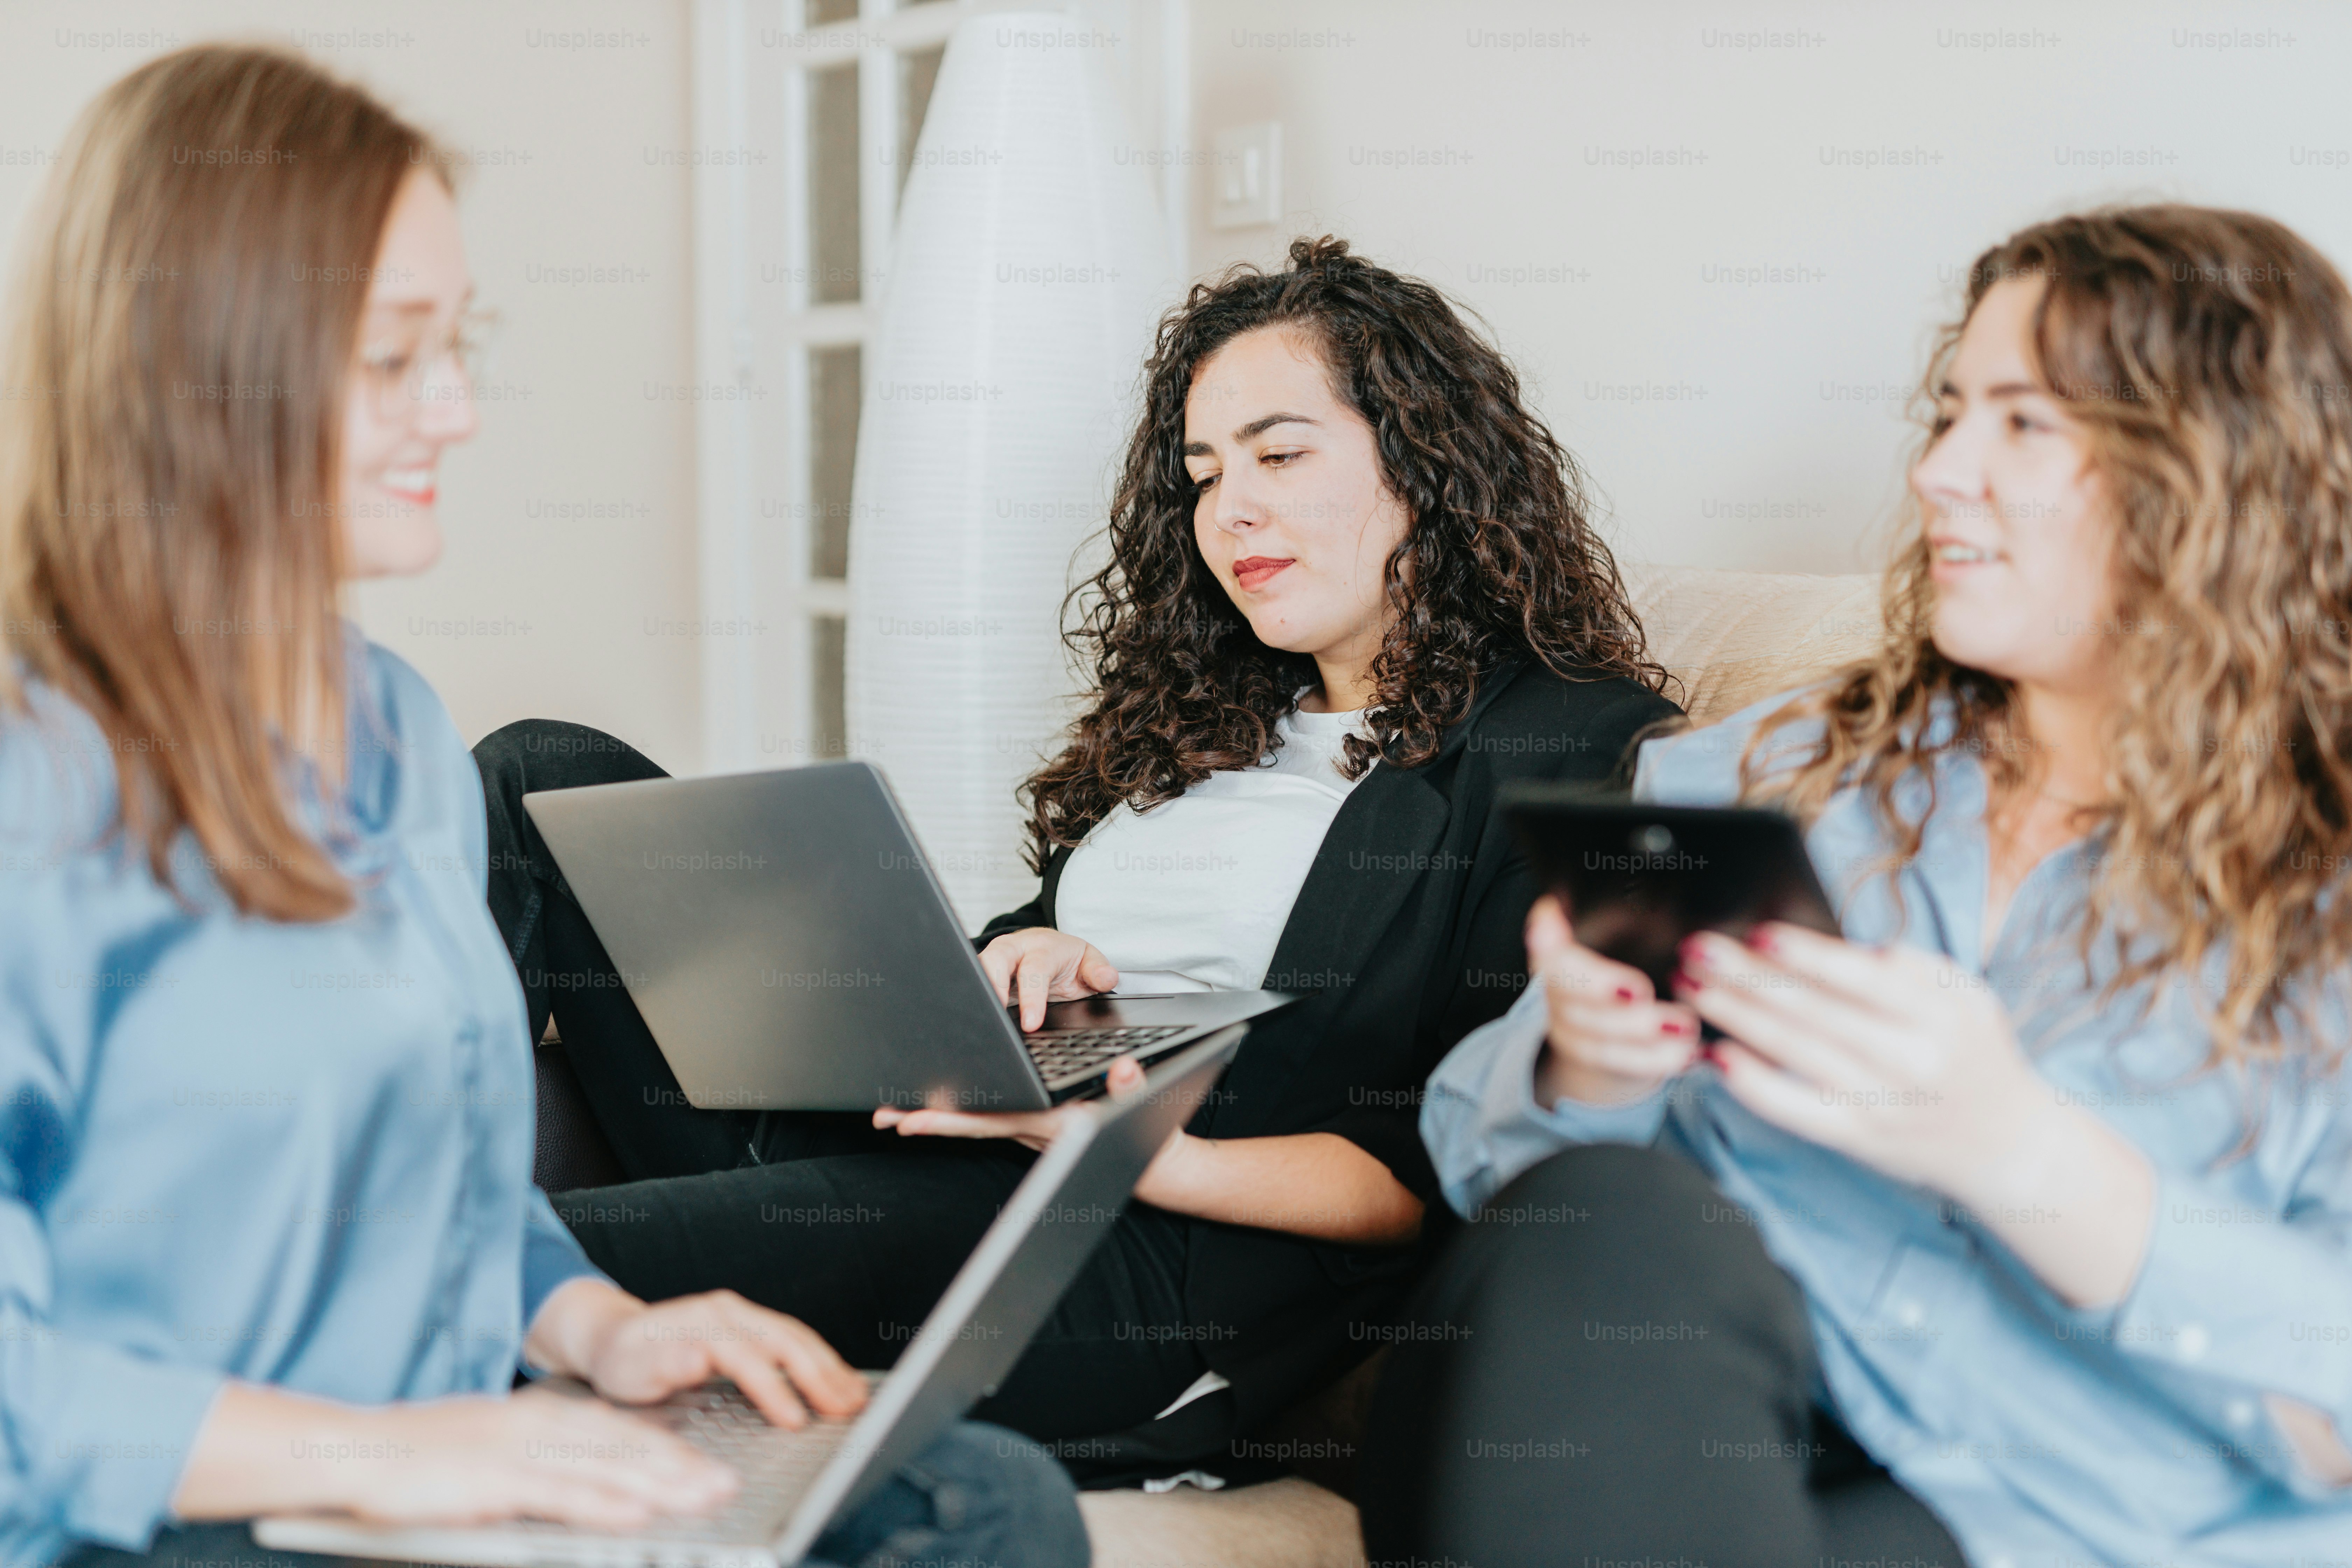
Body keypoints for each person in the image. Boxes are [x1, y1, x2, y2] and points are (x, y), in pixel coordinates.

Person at [0, 45, 1085, 1568]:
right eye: (392, 357)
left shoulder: (387, 721)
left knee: (978, 1508)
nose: (455, 410)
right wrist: (385, 1461)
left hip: (442, 1470)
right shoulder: (34, 775)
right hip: (183, 1517)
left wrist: (596, 1328)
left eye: (463, 345)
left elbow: (445, 1175)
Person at [472, 237, 1682, 1479]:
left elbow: (1435, 1174)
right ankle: (358, 1124)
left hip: (1112, 1241)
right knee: (540, 769)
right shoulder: (1216, 726)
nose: (1233, 510)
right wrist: (1022, 949)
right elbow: (1062, 973)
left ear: (1426, 464)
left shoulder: (1564, 747)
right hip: (921, 1125)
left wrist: (1128, 1146)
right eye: (1205, 474)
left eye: (1280, 455)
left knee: (488, 1261)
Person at [1359, 204, 2352, 1567]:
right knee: (1623, 1230)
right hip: (1634, 1400)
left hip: (2027, 1512)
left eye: (2024, 423)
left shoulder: (2328, 897)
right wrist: (1584, 1067)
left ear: (2223, 474)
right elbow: (1493, 1175)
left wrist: (2017, 1151)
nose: (1942, 470)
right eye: (1950, 414)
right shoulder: (1766, 772)